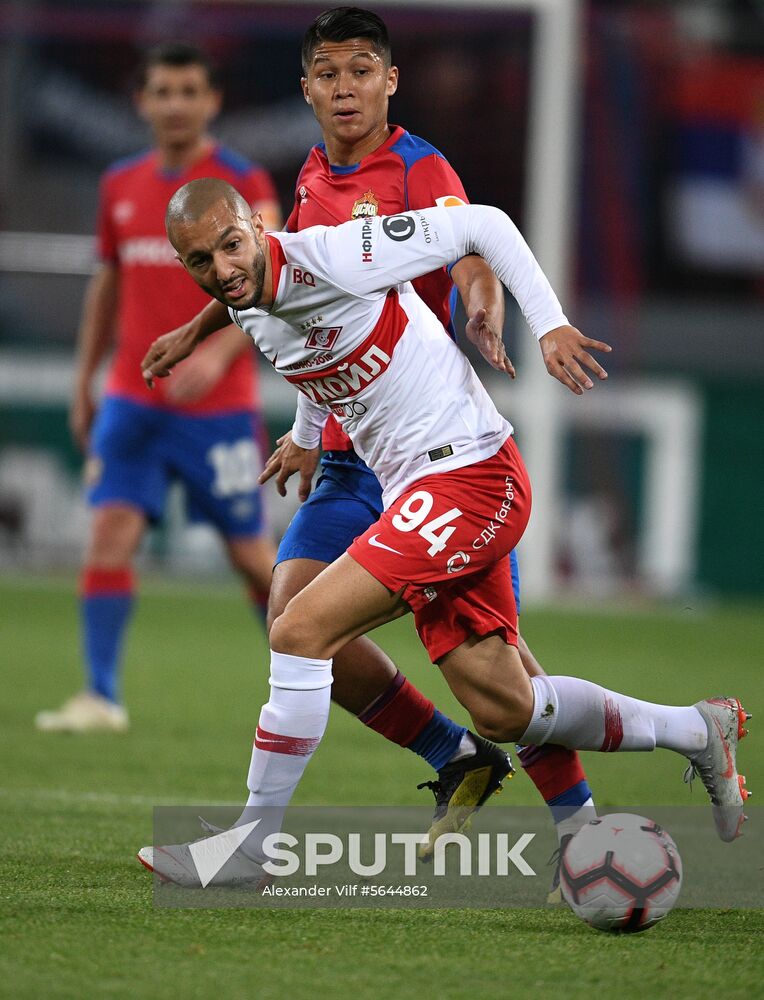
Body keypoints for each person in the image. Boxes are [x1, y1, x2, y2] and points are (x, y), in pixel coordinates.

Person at [137, 179, 750, 885]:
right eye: (200, 263)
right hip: (424, 491)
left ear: (256, 226)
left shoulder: (337, 254)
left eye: (232, 246)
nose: (223, 270)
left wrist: (547, 322)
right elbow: (307, 356)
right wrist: (306, 432)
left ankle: (253, 847)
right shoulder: (249, 302)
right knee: (505, 706)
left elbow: (483, 223)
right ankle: (701, 730)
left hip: (471, 479)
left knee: (298, 629)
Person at [146, 9, 605, 882]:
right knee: (293, 616)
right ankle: (454, 757)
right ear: (309, 88)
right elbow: (267, 281)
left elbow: (469, 237)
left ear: (389, 81)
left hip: (434, 437)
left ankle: (580, 816)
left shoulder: (418, 166)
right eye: (329, 73)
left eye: (363, 71)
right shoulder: (313, 178)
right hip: (351, 442)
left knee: (497, 678)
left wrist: (484, 299)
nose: (346, 88)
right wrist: (256, 382)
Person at [34, 43, 280, 734]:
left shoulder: (241, 182)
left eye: (188, 91)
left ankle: (308, 676)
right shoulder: (119, 184)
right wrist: (85, 380)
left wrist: (220, 350)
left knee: (251, 557)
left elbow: (273, 279)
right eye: (162, 91)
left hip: (218, 406)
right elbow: (108, 283)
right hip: (132, 398)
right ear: (141, 102)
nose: (175, 103)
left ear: (212, 101)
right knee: (108, 534)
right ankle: (100, 694)